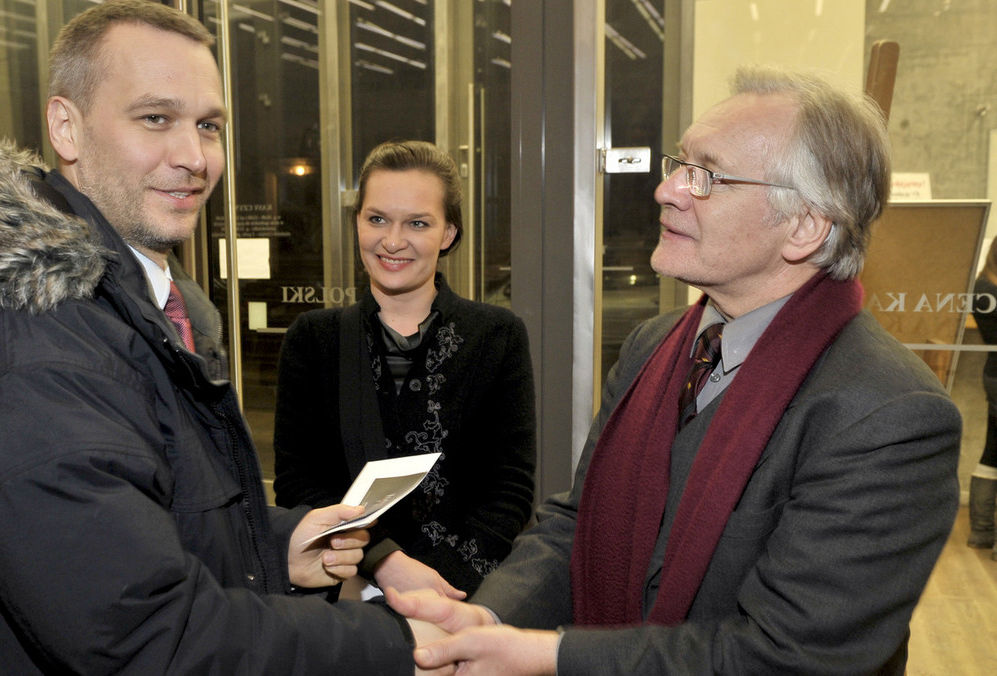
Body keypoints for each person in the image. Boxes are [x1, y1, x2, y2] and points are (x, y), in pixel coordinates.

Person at [0, 2, 447, 674]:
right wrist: (395, 644)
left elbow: (146, 521)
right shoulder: (23, 351)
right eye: (156, 118)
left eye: (208, 125)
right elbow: (144, 636)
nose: (194, 157)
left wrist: (277, 546)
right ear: (66, 127)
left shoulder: (126, 309)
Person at [390, 65, 962, 676]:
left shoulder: (892, 418)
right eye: (679, 164)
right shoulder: (653, 346)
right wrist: (492, 617)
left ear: (805, 227)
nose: (667, 191)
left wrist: (551, 655)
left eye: (706, 176)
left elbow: (792, 657)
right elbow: (576, 524)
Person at [273, 140, 535, 600]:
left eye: (417, 223)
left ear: (449, 233)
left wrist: (442, 587)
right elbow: (300, 483)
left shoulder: (496, 335)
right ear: (357, 223)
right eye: (377, 219)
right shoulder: (314, 339)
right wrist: (387, 566)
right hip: (346, 592)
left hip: (464, 596)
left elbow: (507, 490)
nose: (392, 241)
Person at [969, 244, 997, 559]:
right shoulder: (989, 290)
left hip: (992, 373)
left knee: (992, 450)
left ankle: (981, 531)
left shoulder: (981, 287)